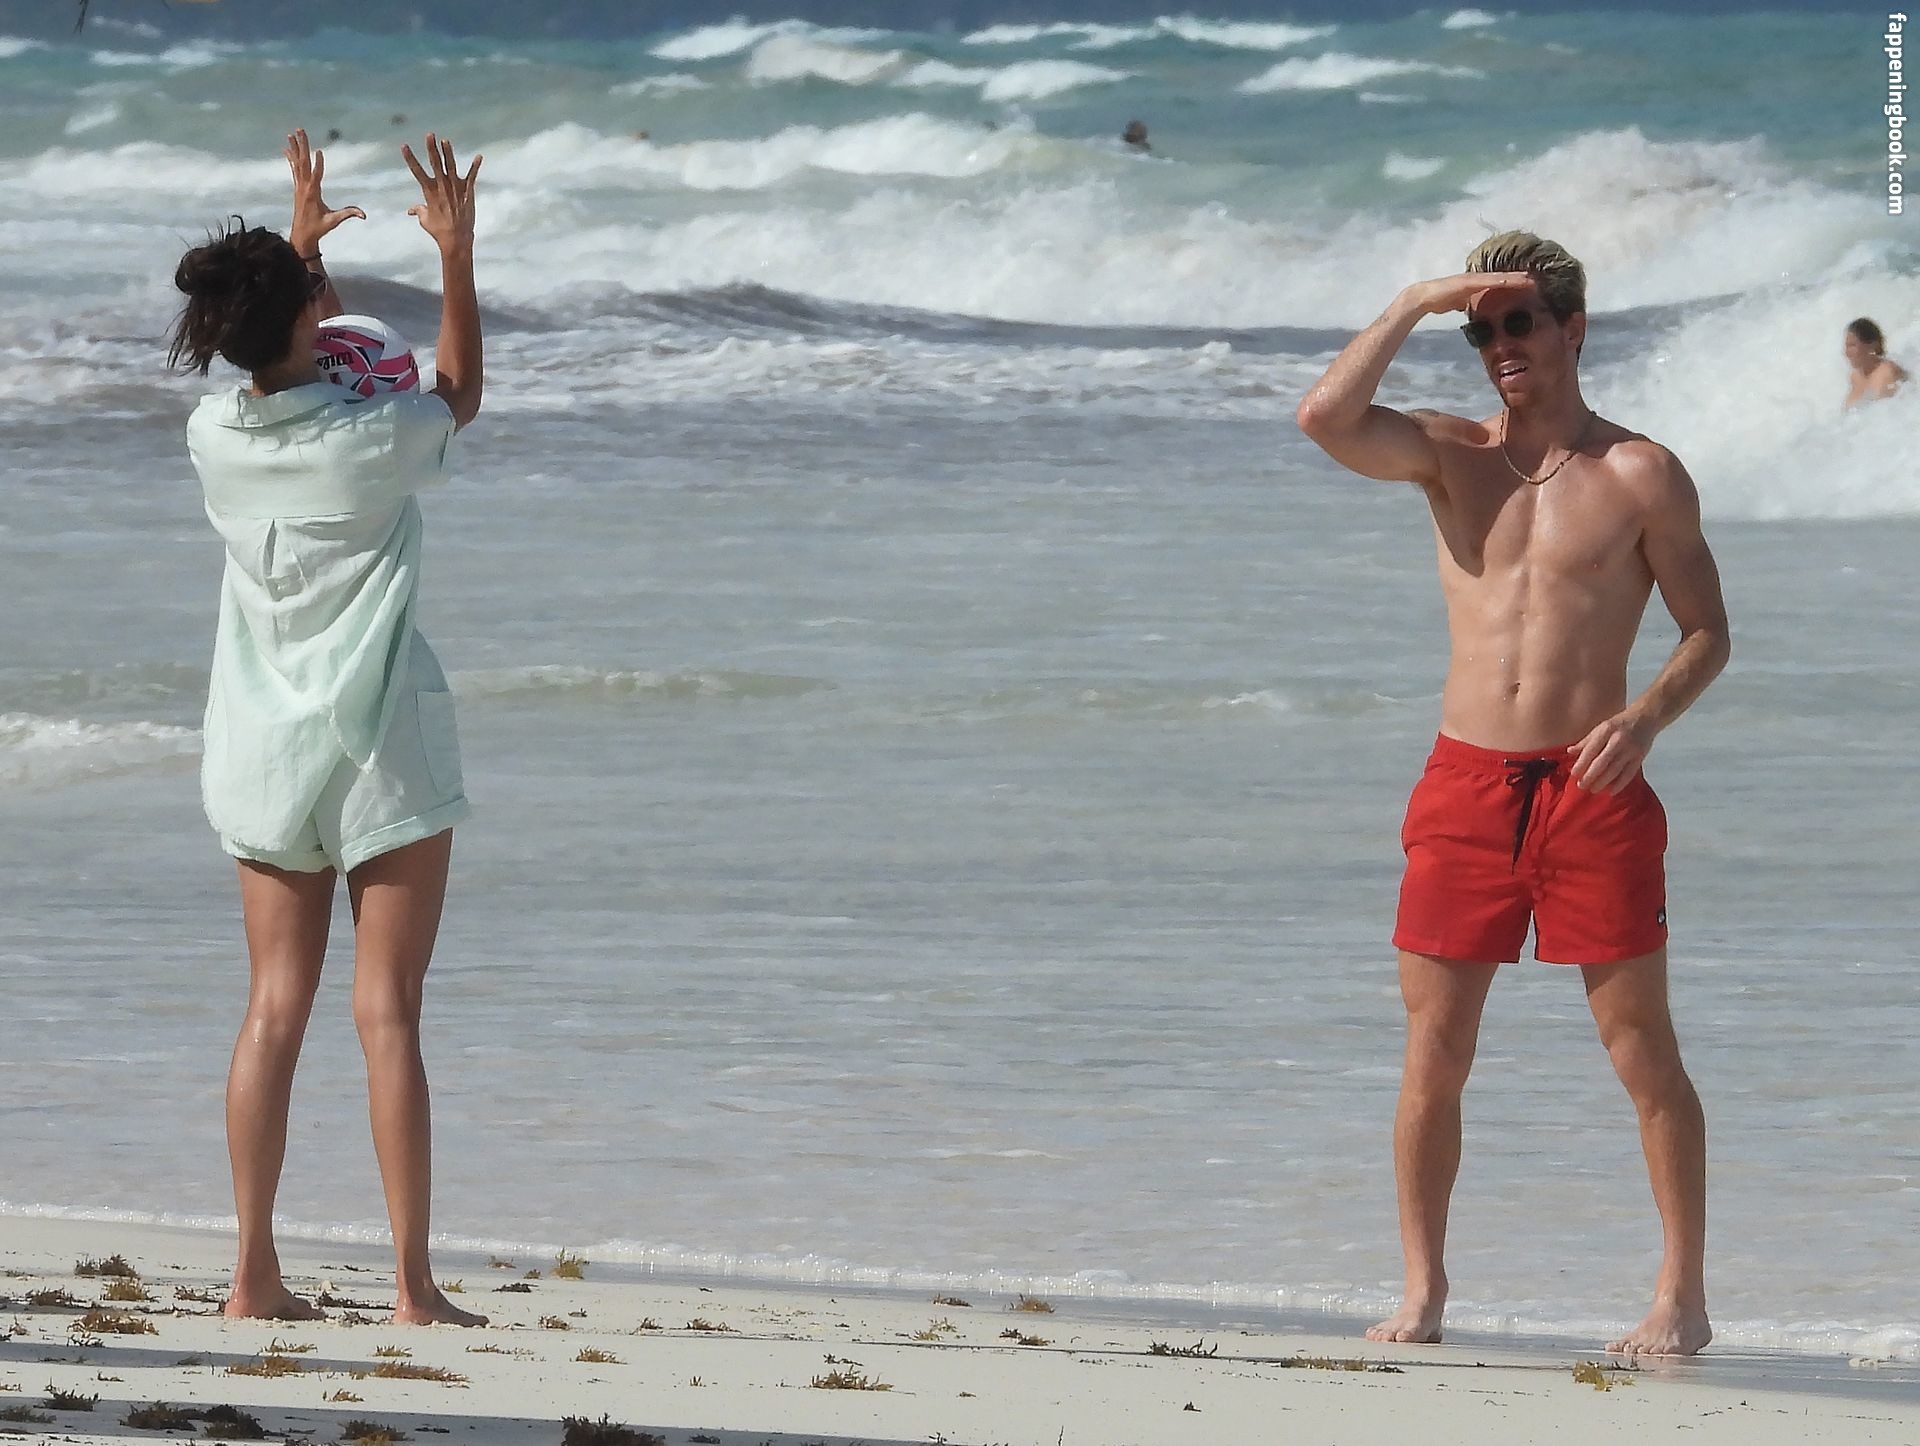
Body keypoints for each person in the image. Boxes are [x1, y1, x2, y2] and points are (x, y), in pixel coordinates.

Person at [1295, 231, 1730, 1358]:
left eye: (1519, 322)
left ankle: (1680, 1297)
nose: (1499, 345)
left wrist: (1646, 718)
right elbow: (1325, 418)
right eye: (1480, 330)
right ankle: (1423, 1289)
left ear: (1572, 329)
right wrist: (1415, 299)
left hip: (1593, 786)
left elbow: (1706, 633)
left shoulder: (1642, 474)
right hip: (1466, 786)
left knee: (1641, 1049)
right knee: (1434, 1053)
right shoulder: (1450, 455)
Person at [170, 128, 486, 1325]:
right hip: (381, 747)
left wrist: (301, 260)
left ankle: (253, 1273)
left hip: (264, 753)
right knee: (386, 1011)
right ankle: (411, 1286)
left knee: (273, 1007)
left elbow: (321, 363)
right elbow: (451, 390)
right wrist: (454, 257)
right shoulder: (377, 441)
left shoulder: (214, 437)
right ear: (304, 311)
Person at [1843, 317, 1908, 407]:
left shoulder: (1888, 373)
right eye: (1846, 346)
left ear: (1872, 345)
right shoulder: (1855, 377)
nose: (1847, 353)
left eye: (1852, 346)